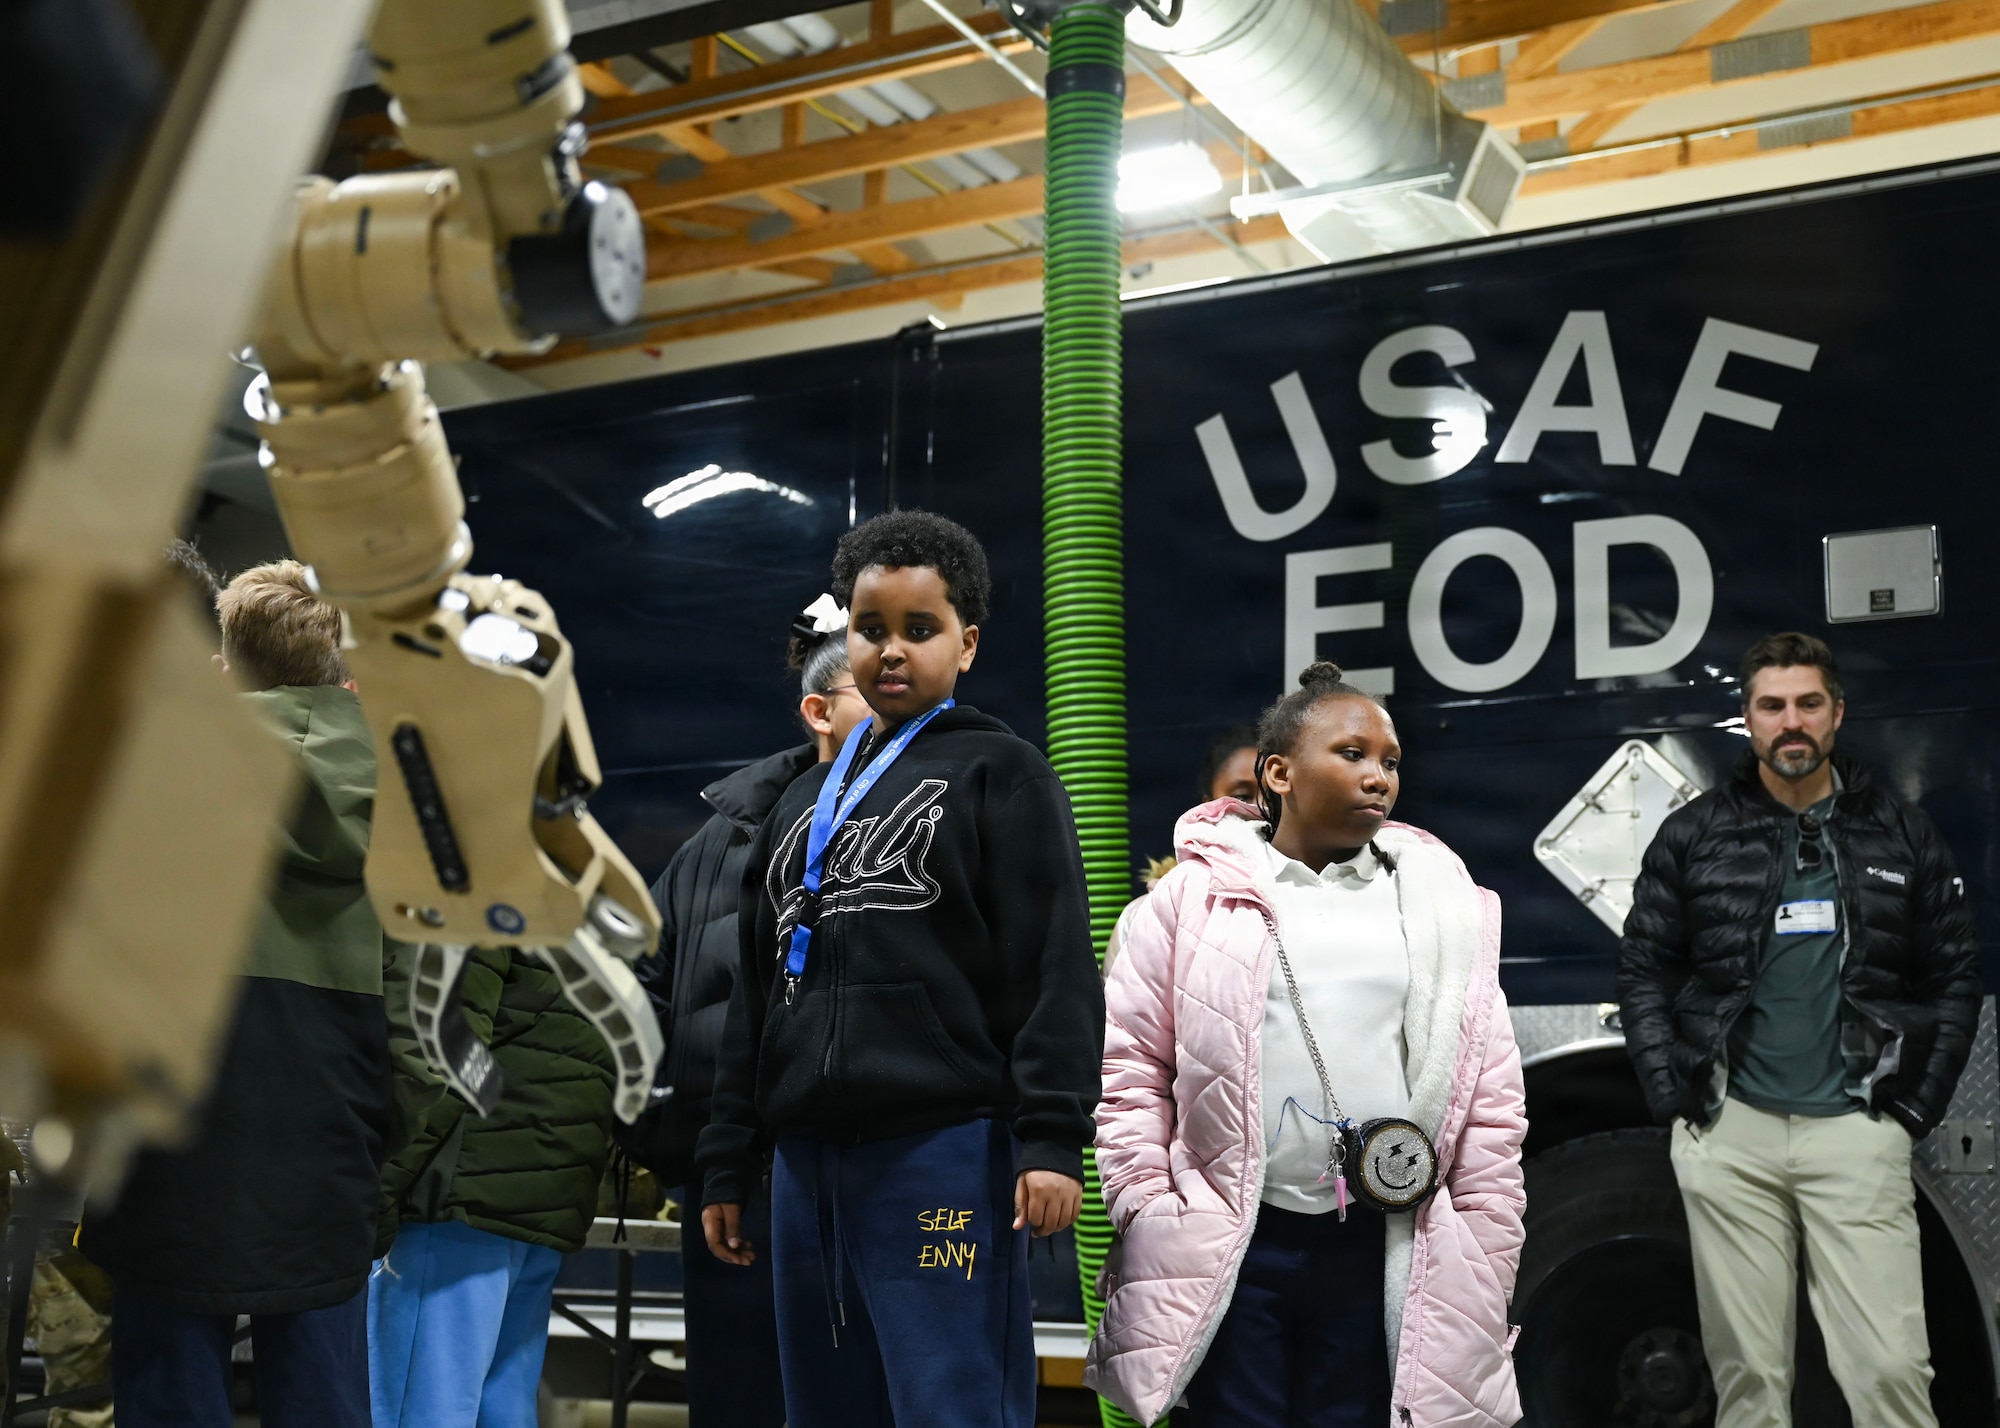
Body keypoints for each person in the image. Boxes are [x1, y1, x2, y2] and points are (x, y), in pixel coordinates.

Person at [697, 510, 1104, 1428]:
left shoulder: (1005, 773)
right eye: (869, 629)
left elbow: (1054, 968)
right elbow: (756, 995)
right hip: (805, 1167)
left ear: (966, 643)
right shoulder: (800, 802)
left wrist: (1050, 1140)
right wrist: (729, 1158)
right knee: (825, 1410)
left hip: (944, 1155)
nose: (890, 650)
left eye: (918, 631)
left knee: (950, 1404)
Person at [1087, 661, 1527, 1428]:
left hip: (1379, 1248)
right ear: (1278, 773)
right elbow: (1130, 1073)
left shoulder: (1441, 907)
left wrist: (1487, 1246)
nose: (1377, 777)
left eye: (1389, 761)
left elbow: (1489, 1101)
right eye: (1352, 754)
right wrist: (1148, 1209)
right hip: (1233, 1247)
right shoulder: (1187, 903)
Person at [1617, 632, 1980, 1428]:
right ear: (1745, 720)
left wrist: (1910, 1109)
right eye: (1771, 706)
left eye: (1808, 704)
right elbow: (1644, 967)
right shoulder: (1695, 836)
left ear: (1837, 714)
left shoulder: (1899, 833)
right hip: (1729, 1135)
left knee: (1890, 1373)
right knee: (1748, 1380)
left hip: (1855, 1131)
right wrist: (1672, 1093)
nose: (1791, 722)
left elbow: (1955, 975)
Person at [81, 559, 391, 1428]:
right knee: (324, 1397)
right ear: (341, 670)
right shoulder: (411, 800)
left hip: (169, 1141)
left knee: (169, 1392)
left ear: (226, 663)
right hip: (335, 1139)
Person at [621, 594, 871, 1428]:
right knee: (738, 1396)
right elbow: (636, 988)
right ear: (820, 706)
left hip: (871, 1173)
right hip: (731, 1179)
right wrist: (662, 1132)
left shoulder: (934, 818)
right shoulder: (718, 839)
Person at [370, 934, 625, 1424]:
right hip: (540, 1191)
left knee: (421, 1409)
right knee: (502, 1409)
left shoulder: (475, 881)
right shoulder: (571, 886)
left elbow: (443, 1051)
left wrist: (379, 1191)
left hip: (457, 1193)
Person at [1104, 724, 1260, 978]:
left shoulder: (1310, 899)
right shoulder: (1149, 914)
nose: (1259, 809)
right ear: (1207, 804)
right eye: (1242, 796)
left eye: (1273, 795)